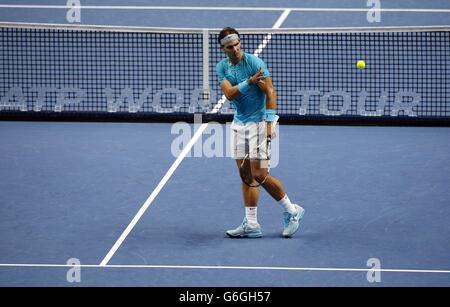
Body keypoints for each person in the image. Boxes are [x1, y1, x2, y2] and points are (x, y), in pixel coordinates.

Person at [216, 27, 305, 238]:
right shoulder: (221, 67)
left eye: (237, 44)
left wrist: (269, 123)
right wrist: (249, 82)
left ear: (240, 43)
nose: (235, 49)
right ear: (223, 49)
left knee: (259, 174)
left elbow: (270, 91)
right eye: (230, 47)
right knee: (246, 175)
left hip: (259, 122)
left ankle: (292, 211)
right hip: (239, 124)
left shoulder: (255, 63)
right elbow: (228, 94)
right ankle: (252, 224)